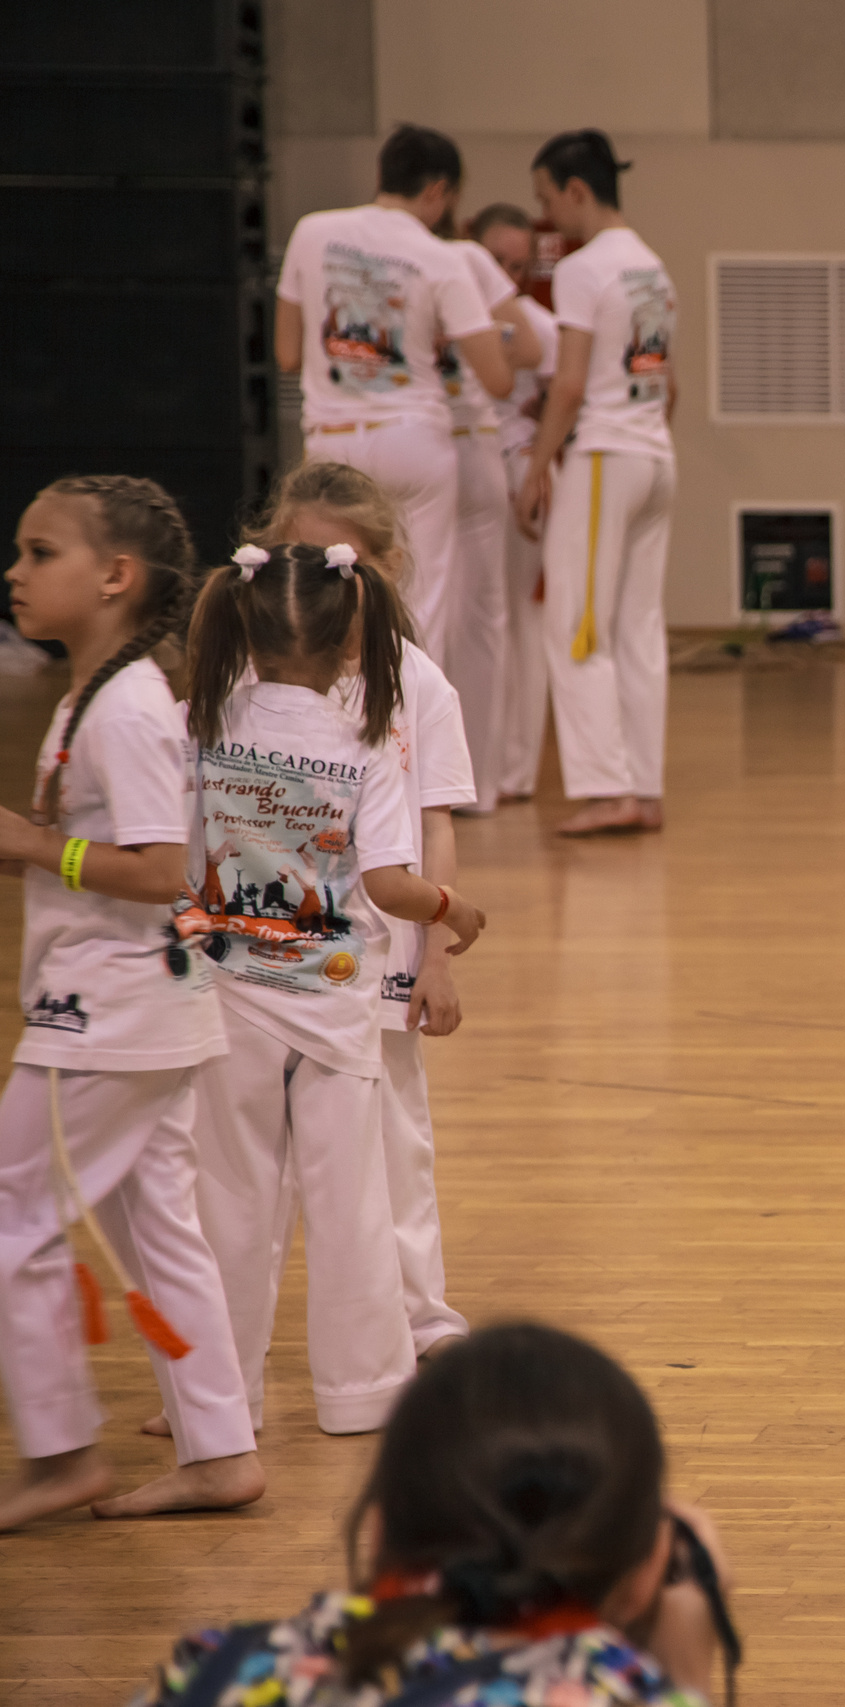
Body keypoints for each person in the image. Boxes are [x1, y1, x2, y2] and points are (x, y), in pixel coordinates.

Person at [0, 477, 264, 1530]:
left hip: (107, 1014)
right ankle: (220, 1450)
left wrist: (33, 844)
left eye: (39, 551)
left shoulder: (127, 711)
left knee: (13, 1215)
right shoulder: (95, 696)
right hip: (129, 1007)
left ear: (114, 576)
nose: (17, 573)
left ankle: (61, 1451)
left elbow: (164, 870)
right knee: (161, 1230)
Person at [183, 540, 486, 1434]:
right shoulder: (365, 746)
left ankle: (221, 1400)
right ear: (352, 637)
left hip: (224, 996)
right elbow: (393, 885)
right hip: (334, 1001)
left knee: (228, 1202)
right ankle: (362, 1394)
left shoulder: (197, 720)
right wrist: (452, 908)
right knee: (351, 1200)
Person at [135, 1322, 732, 1707]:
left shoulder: (211, 1670)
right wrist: (684, 1681)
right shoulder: (617, 1694)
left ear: (378, 1532)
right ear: (651, 1565)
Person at [257, 466, 479, 1364]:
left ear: (385, 564)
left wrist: (438, 953)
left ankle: (420, 1319)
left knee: (394, 1142)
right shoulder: (249, 671)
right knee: (248, 1162)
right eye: (301, 555)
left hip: (373, 952)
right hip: (263, 955)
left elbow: (434, 822)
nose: (324, 574)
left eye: (344, 557)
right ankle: (229, 1358)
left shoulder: (417, 683)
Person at [275, 126, 515, 675]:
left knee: (328, 607)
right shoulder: (439, 257)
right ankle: (410, 750)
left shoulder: (313, 233)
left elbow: (288, 352)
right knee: (419, 612)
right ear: (437, 190)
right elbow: (498, 380)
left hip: (334, 447)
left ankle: (334, 745)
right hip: (415, 441)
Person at [513, 131, 677, 838]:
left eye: (548, 199)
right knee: (638, 627)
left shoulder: (587, 268)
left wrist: (535, 467)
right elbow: (671, 385)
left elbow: (571, 384)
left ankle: (608, 787)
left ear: (577, 189)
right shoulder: (653, 268)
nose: (548, 215)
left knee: (576, 621)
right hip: (655, 457)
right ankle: (643, 785)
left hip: (607, 456)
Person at [437, 208, 541, 814]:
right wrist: (487, 333)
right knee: (480, 619)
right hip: (467, 442)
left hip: (444, 440)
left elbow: (532, 348)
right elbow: (522, 343)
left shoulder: (432, 263)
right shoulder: (463, 263)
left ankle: (448, 782)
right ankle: (475, 784)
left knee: (444, 615)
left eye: (517, 265)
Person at [470, 203, 559, 803]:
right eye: (496, 260)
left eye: (519, 266)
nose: (507, 275)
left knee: (520, 619)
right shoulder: (444, 302)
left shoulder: (539, 327)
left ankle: (515, 769)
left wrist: (541, 469)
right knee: (472, 615)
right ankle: (473, 761)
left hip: (520, 467)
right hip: (465, 467)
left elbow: (564, 397)